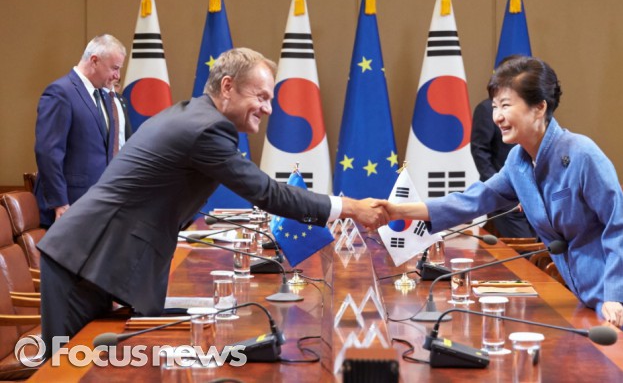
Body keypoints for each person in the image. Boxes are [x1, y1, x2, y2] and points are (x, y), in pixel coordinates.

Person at [38, 47, 389, 358]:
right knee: (68, 368)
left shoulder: (194, 115)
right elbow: (267, 193)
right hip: (83, 260)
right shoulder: (206, 129)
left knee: (93, 365)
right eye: (261, 97)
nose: (268, 109)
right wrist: (350, 208)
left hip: (94, 258)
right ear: (227, 87)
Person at [375, 56, 623, 350]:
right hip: (586, 293)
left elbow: (617, 227)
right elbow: (473, 200)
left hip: (622, 298)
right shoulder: (518, 161)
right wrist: (397, 211)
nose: (497, 117)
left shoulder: (582, 154)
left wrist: (615, 296)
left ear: (539, 107)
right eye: (494, 106)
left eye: (505, 105)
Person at [34, 34, 126, 227]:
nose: (117, 76)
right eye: (115, 68)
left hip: (98, 205)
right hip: (69, 206)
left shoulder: (103, 96)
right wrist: (59, 202)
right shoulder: (60, 92)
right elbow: (48, 152)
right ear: (94, 61)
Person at [470, 97, 535, 238]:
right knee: (526, 246)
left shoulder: (531, 106)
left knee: (543, 244)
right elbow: (479, 150)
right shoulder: (486, 108)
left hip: (533, 193)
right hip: (505, 195)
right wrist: (499, 189)